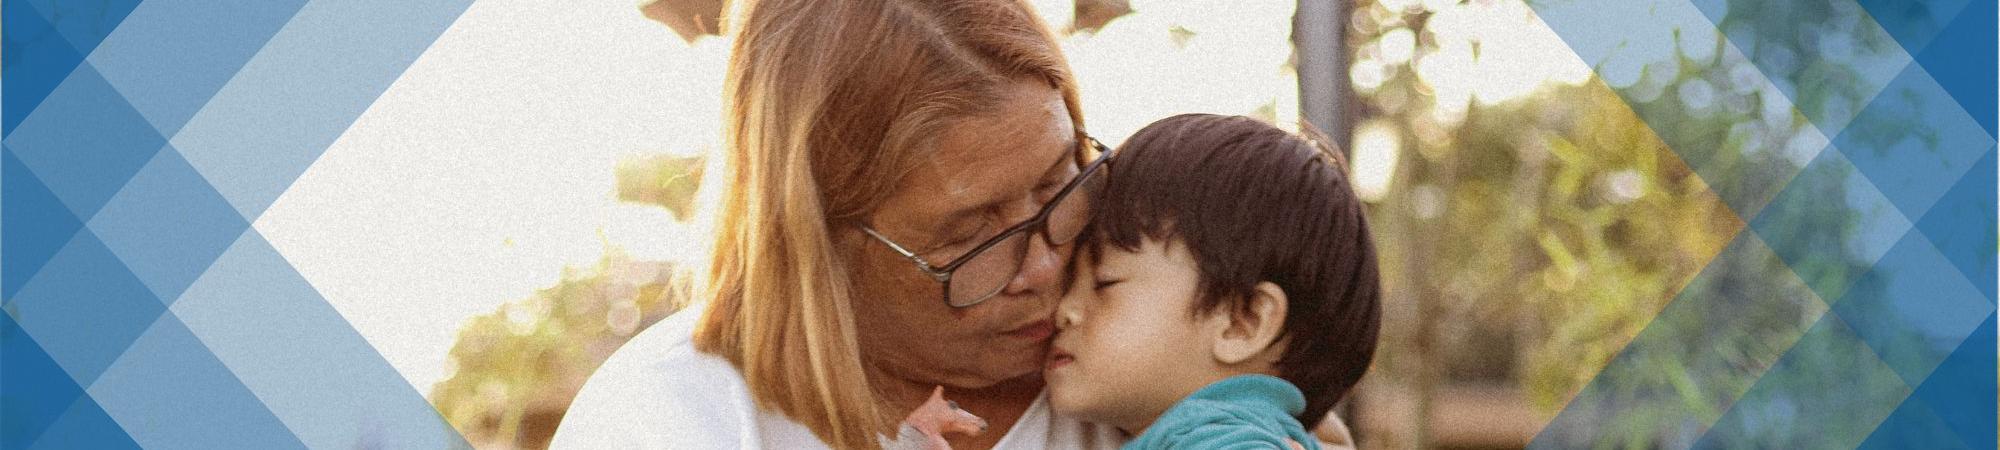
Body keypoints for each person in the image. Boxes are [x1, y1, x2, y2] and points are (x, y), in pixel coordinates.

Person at [552, 0, 1119, 448]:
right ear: (813, 242)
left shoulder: (1158, 359)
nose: (1045, 268)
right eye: (970, 236)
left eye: (1058, 184)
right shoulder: (669, 419)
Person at [1043, 114, 1382, 449]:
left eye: (1105, 283)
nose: (1065, 309)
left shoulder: (1220, 439)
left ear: (1242, 322)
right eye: (1071, 281)